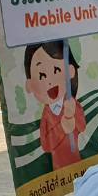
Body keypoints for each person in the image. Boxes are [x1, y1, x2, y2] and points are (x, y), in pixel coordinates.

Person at [24, 40, 86, 171]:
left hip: (77, 163)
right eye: (41, 75)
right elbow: (46, 145)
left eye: (57, 70)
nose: (50, 82)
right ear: (30, 85)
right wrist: (62, 127)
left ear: (70, 71)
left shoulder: (72, 105)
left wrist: (71, 117)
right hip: (57, 170)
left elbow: (82, 126)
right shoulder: (46, 115)